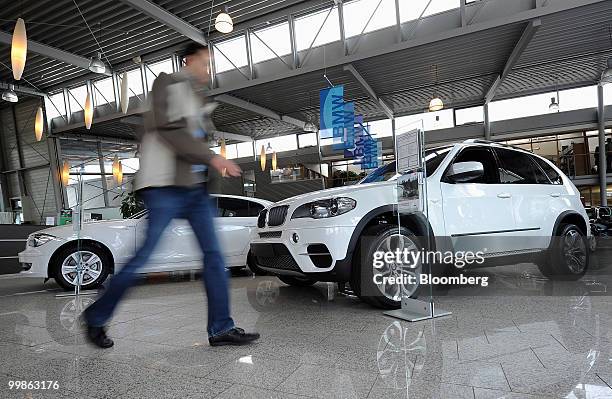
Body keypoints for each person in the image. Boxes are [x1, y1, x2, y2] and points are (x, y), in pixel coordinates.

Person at [83, 42, 260, 348]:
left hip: (194, 191)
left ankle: (220, 328)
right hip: (165, 186)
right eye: (204, 63)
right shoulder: (167, 83)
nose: (208, 70)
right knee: (144, 257)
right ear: (188, 60)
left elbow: (193, 136)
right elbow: (171, 130)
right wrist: (213, 158)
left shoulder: (197, 100)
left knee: (215, 258)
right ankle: (96, 316)